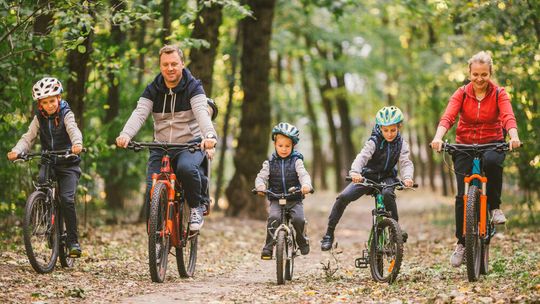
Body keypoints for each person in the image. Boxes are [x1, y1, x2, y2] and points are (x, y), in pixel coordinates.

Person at [430, 51, 521, 267]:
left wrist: (514, 136)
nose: (479, 79)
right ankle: (462, 243)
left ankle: (494, 207)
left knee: (492, 162)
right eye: (475, 74)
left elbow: (508, 116)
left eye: (484, 74)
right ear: (469, 73)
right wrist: (438, 137)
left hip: (492, 142)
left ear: (490, 73)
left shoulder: (499, 93)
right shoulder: (461, 93)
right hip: (464, 144)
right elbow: (448, 117)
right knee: (462, 195)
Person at [115, 45, 218, 231]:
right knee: (151, 189)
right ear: (160, 66)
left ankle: (195, 207)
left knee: (186, 169)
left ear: (182, 64)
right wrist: (126, 134)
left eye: (174, 64)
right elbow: (139, 113)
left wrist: (209, 135)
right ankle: (157, 235)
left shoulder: (193, 87)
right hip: (161, 146)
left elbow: (202, 113)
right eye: (165, 64)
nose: (170, 68)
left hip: (189, 144)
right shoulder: (153, 89)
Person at [7, 77, 84, 257]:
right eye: (45, 102)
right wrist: (17, 150)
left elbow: (73, 129)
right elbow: (28, 137)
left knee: (67, 199)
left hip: (68, 163)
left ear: (59, 98)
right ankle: (48, 215)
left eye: (52, 100)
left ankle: (73, 241)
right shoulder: (38, 118)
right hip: (49, 161)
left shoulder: (66, 113)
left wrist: (77, 143)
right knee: (42, 183)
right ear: (40, 104)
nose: (49, 105)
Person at [320, 106, 414, 251]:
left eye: (393, 130)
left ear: (399, 127)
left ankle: (395, 230)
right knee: (343, 197)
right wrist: (355, 173)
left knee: (388, 194)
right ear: (380, 127)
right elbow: (362, 157)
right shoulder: (374, 141)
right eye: (386, 130)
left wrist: (407, 177)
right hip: (367, 177)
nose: (389, 134)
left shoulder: (402, 144)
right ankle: (329, 234)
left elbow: (406, 162)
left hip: (387, 178)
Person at [255, 122, 313, 260]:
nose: (284, 149)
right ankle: (268, 247)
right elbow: (261, 177)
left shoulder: (296, 161)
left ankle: (301, 239)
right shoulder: (269, 162)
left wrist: (306, 185)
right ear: (275, 144)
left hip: (294, 198)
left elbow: (304, 175)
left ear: (293, 145)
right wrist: (260, 186)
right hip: (276, 198)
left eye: (287, 146)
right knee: (273, 219)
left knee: (298, 219)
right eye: (280, 145)